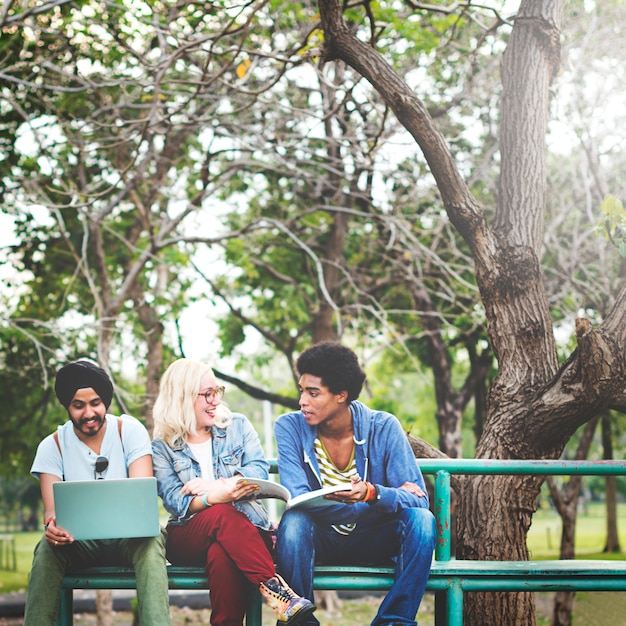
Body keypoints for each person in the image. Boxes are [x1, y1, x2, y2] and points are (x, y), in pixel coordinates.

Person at [274, 342, 436, 626]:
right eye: (302, 391)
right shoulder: (289, 427)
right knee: (295, 521)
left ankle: (393, 622)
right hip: (320, 538)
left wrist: (372, 493)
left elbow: (420, 500)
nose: (302, 401)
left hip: (373, 538)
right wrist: (371, 503)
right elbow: (298, 498)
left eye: (313, 393)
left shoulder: (383, 427)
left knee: (421, 521)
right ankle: (299, 622)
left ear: (341, 395)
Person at [151, 357, 316, 626]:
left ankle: (273, 604)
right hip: (189, 535)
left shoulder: (237, 426)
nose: (215, 400)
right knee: (221, 514)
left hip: (249, 530)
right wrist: (213, 498)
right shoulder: (162, 447)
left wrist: (218, 486)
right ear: (181, 397)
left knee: (222, 553)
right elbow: (174, 501)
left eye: (217, 391)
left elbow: (258, 471)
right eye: (207, 393)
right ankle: (279, 593)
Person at [24, 359, 171, 626]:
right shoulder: (52, 446)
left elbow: (141, 498)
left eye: (95, 403)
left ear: (105, 402)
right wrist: (52, 526)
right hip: (79, 544)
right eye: (78, 406)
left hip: (131, 541)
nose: (89, 412)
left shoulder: (130, 431)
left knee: (150, 541)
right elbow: (51, 513)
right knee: (47, 547)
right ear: (67, 407)